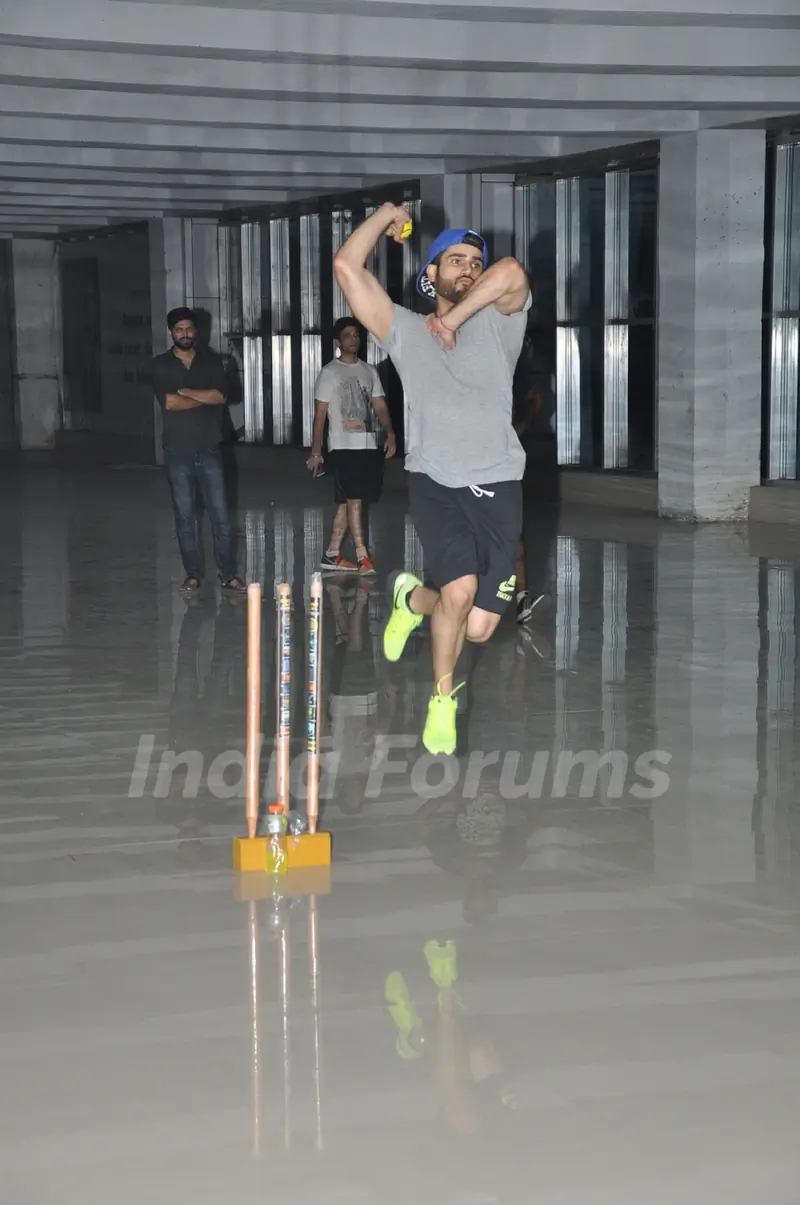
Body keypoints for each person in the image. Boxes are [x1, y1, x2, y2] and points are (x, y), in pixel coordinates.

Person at [333, 206, 531, 755]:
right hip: (435, 481)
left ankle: (411, 599)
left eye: (475, 263)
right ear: (431, 274)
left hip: (499, 482)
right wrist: (384, 216)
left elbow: (512, 271)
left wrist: (455, 318)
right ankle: (442, 700)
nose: (469, 270)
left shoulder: (500, 323)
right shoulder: (403, 329)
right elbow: (347, 267)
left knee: (478, 627)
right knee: (462, 591)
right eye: (457, 261)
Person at [151, 307, 245, 594]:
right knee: (185, 517)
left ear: (196, 330)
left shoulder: (212, 361)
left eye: (189, 329)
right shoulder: (160, 365)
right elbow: (169, 403)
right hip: (177, 451)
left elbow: (221, 396)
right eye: (179, 329)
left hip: (210, 448)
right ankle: (192, 574)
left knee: (222, 516)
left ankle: (228, 575)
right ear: (171, 333)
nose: (185, 334)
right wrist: (204, 397)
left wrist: (188, 392)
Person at [306, 317, 396, 574]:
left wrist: (390, 432)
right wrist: (316, 451)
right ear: (338, 340)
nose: (353, 340)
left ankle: (332, 554)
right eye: (347, 335)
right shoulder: (329, 372)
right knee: (355, 499)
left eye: (356, 335)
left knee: (349, 502)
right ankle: (362, 556)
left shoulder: (369, 371)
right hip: (343, 447)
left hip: (367, 445)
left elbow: (379, 405)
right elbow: (320, 414)